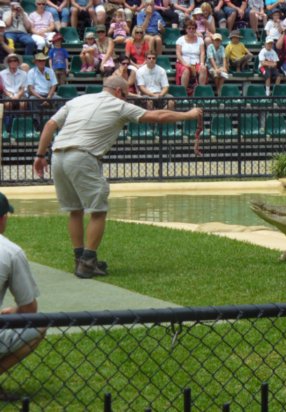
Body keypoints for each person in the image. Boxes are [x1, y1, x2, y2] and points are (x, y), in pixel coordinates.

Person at [33, 76, 203, 278]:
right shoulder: (119, 105)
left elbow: (50, 125)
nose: (127, 98)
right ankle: (87, 262)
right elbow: (157, 116)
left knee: (75, 210)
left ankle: (80, 259)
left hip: (58, 155)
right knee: (98, 211)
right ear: (119, 92)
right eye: (126, 94)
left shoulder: (77, 100)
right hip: (82, 156)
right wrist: (189, 114)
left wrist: (40, 155)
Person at [0, 192, 46, 401]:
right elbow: (30, 310)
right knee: (39, 325)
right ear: (2, 218)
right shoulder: (10, 251)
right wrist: (15, 311)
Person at [176, 19, 207, 91]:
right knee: (186, 70)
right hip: (182, 62)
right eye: (189, 28)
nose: (191, 30)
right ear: (186, 29)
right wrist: (185, 64)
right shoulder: (180, 39)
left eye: (193, 28)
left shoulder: (200, 40)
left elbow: (202, 52)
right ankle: (183, 93)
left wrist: (202, 63)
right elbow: (178, 54)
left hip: (196, 62)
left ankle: (201, 92)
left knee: (203, 69)